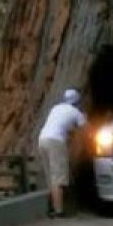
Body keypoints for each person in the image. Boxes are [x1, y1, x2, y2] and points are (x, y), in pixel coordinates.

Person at [37, 88, 87, 218]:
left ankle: (50, 208)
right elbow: (85, 131)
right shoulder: (76, 112)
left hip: (42, 139)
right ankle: (59, 211)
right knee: (58, 178)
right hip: (56, 142)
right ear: (77, 102)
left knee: (51, 178)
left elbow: (61, 125)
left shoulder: (56, 108)